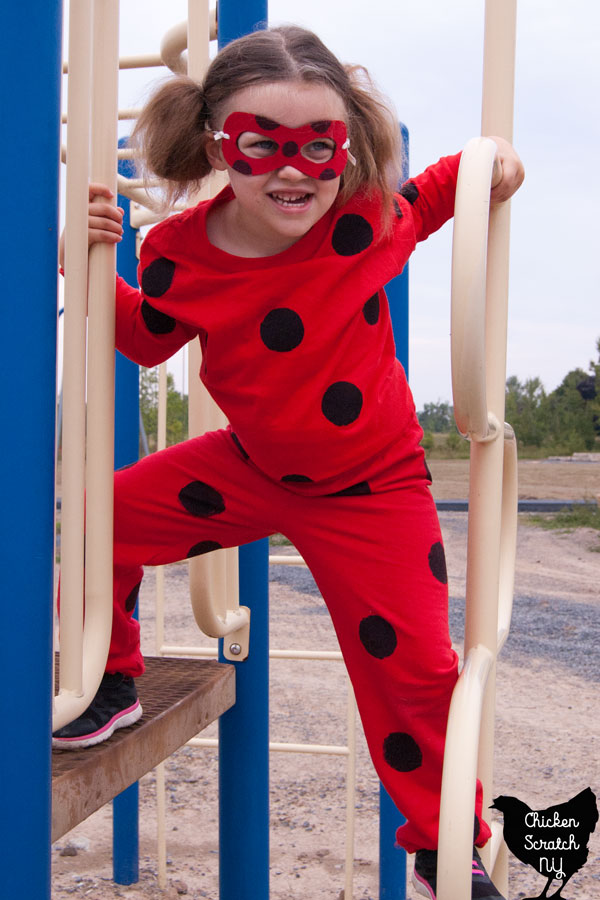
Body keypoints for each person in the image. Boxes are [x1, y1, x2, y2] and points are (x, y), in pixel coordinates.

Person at [54, 25, 524, 900]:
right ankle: (112, 677)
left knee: (414, 673)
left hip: (373, 489)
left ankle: (442, 838)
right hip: (252, 467)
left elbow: (451, 180)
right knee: (96, 518)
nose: (295, 168)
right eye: (262, 143)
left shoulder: (368, 217)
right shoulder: (181, 252)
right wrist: (86, 266)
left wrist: (496, 165)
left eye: (321, 145)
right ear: (213, 143)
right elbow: (148, 341)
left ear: (346, 146)